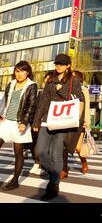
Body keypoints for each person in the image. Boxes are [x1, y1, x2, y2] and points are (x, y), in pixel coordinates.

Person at [33, 54, 84, 201]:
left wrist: (61, 89)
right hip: (47, 120)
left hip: (63, 121)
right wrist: (36, 121)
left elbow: (79, 99)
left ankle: (53, 185)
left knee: (56, 152)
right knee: (40, 151)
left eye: (62, 64)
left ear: (68, 65)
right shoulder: (51, 80)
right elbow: (43, 101)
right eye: (57, 64)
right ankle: (55, 174)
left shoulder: (73, 81)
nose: (58, 67)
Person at [0, 61, 37, 191]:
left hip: (19, 123)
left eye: (22, 71)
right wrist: (1, 114)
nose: (19, 74)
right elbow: (5, 100)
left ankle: (15, 180)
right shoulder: (11, 84)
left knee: (18, 153)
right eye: (17, 71)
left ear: (27, 72)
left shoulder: (32, 86)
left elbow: (31, 106)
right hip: (6, 121)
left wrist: (24, 122)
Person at [60, 70, 91, 178]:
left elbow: (87, 106)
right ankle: (64, 169)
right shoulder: (66, 88)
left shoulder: (84, 90)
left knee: (77, 147)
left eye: (74, 77)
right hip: (67, 120)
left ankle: (84, 162)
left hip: (80, 122)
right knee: (63, 145)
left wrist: (87, 121)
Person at [29, 71, 53, 175]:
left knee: (44, 145)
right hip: (37, 121)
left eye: (48, 80)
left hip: (48, 122)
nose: (46, 82)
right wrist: (34, 122)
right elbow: (36, 108)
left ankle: (41, 165)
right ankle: (37, 163)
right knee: (34, 143)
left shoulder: (53, 94)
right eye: (45, 80)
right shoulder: (40, 92)